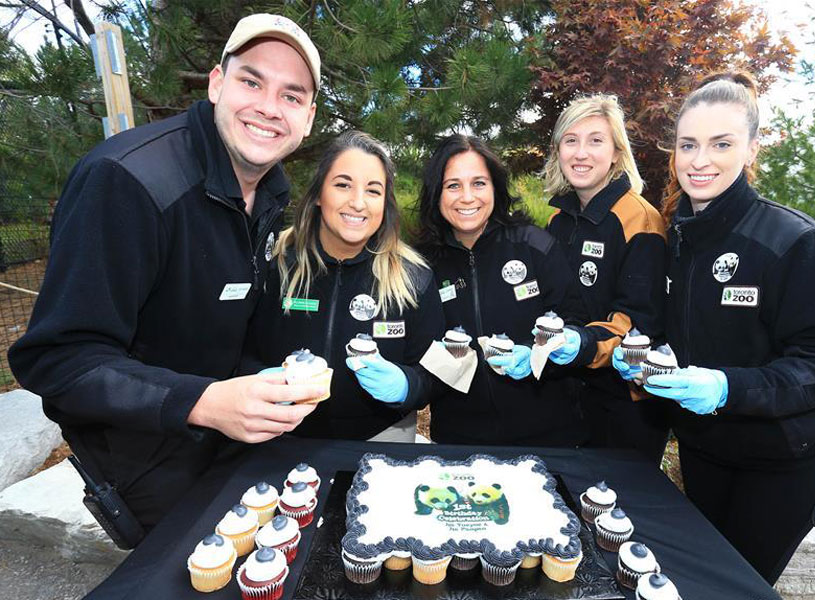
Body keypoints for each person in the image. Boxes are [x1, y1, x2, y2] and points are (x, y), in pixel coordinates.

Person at [8, 14, 327, 533]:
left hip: (230, 454)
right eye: (252, 81)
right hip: (148, 466)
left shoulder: (272, 190)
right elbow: (58, 360)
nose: (269, 108)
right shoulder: (126, 181)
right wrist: (202, 402)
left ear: (308, 117)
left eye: (291, 96)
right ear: (217, 83)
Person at [632, 72, 815, 584]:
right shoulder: (678, 240)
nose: (699, 160)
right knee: (698, 579)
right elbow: (687, 331)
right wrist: (647, 354)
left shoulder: (796, 241)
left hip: (781, 462)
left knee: (736, 586)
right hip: (706, 450)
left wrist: (726, 386)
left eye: (721, 144)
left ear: (751, 150)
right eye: (687, 145)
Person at [240, 131, 444, 441]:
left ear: (385, 203)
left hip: (384, 437)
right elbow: (237, 349)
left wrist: (407, 385)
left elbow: (432, 372)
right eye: (343, 185)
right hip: (281, 435)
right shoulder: (275, 264)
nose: (358, 202)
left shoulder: (413, 278)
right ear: (319, 194)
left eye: (373, 191)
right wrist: (257, 380)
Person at [415, 134, 589, 446]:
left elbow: (575, 321)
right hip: (460, 438)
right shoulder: (422, 265)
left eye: (479, 183)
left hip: (550, 435)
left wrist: (544, 355)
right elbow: (416, 349)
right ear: (436, 194)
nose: (467, 197)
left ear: (495, 187)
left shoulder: (535, 245)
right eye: (453, 185)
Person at [542, 93, 669, 464]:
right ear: (558, 151)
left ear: (616, 152)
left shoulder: (640, 220)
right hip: (565, 394)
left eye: (595, 141)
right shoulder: (557, 220)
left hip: (624, 404)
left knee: (618, 514)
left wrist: (580, 343)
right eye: (571, 141)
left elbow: (638, 325)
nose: (581, 153)